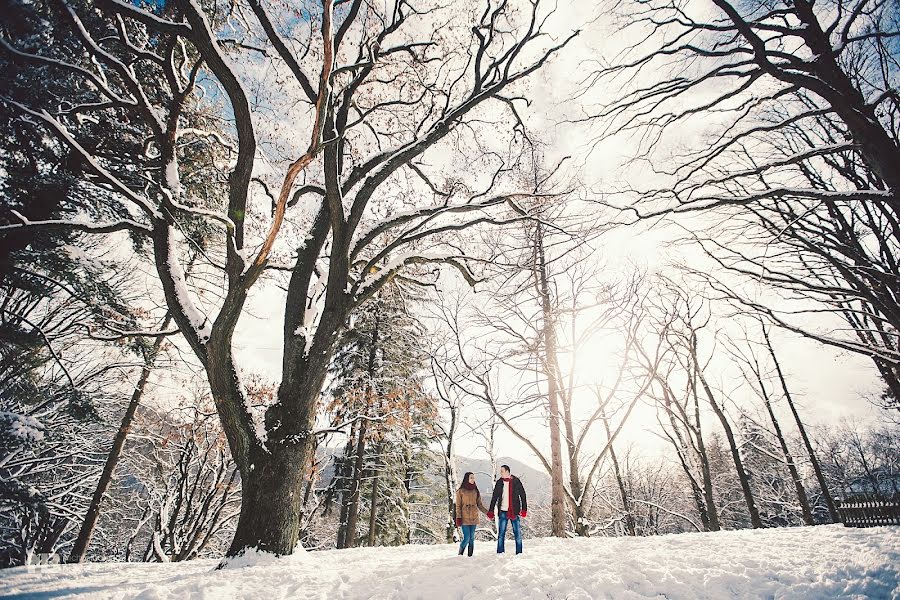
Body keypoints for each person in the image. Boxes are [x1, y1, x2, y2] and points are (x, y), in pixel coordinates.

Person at [487, 464, 527, 554]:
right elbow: (494, 497)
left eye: (502, 471)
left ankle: (519, 553)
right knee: (501, 534)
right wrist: (491, 510)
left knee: (517, 533)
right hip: (502, 511)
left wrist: (524, 509)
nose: (500, 473)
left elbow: (523, 495)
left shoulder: (516, 481)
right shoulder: (499, 482)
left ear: (507, 472)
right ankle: (500, 553)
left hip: (514, 511)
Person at [455, 472, 489, 557]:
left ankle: (470, 557)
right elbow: (458, 506)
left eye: (473, 478)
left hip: (474, 517)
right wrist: (458, 518)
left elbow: (480, 505)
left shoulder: (475, 491)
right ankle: (460, 554)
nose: (473, 479)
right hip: (464, 518)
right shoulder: (460, 491)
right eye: (471, 478)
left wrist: (488, 513)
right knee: (467, 538)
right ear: (467, 479)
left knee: (472, 539)